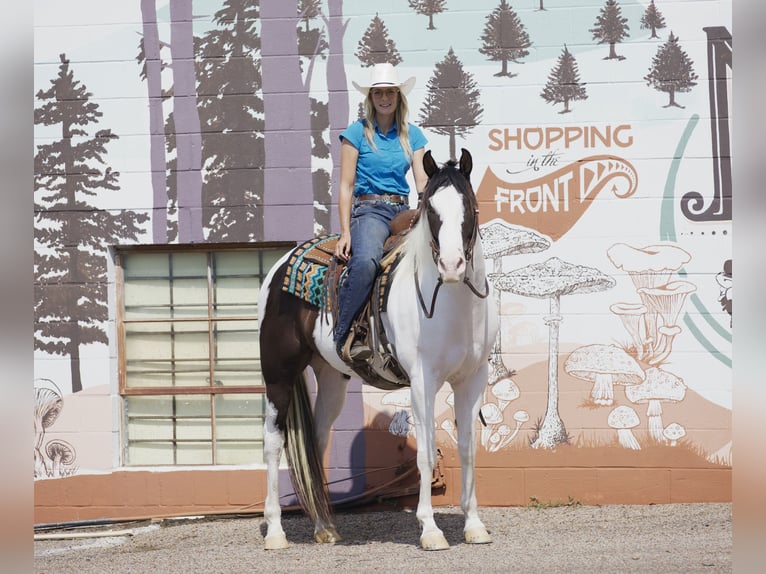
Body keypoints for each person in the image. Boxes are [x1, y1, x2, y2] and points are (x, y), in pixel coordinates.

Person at [333, 63, 429, 362]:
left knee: (434, 258)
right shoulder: (357, 133)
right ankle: (345, 333)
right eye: (378, 93)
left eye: (390, 92)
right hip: (370, 209)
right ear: (371, 98)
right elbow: (346, 185)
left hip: (403, 209)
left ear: (399, 96)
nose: (384, 98)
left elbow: (422, 182)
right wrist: (346, 232)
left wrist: (425, 210)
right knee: (366, 262)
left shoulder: (413, 136)